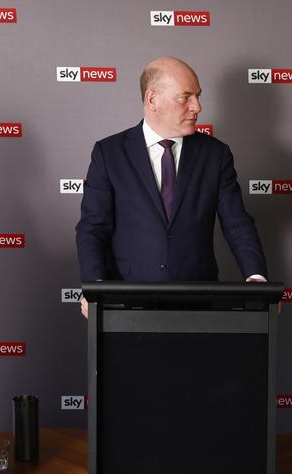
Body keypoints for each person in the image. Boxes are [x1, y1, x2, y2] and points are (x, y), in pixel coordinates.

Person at [76, 56, 267, 317]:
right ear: (152, 99)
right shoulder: (109, 153)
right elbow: (93, 227)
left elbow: (237, 223)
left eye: (198, 96)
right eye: (185, 97)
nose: (197, 107)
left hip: (199, 305)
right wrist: (95, 288)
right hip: (125, 306)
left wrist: (256, 279)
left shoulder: (216, 155)